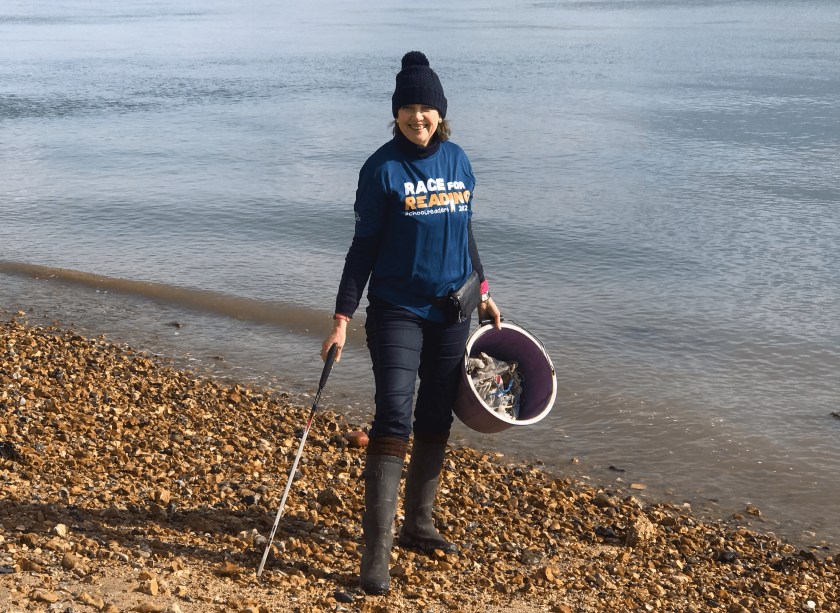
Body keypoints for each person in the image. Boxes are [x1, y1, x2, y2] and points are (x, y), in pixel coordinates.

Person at [321, 50, 501, 595]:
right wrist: (342, 317)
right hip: (398, 311)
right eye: (408, 108)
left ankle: (419, 524)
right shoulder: (381, 169)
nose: (417, 117)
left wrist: (484, 290)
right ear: (395, 113)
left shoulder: (461, 161)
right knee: (393, 415)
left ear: (440, 112)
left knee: (436, 413)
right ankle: (374, 559)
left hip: (453, 310)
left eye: (426, 108)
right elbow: (363, 248)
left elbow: (465, 233)